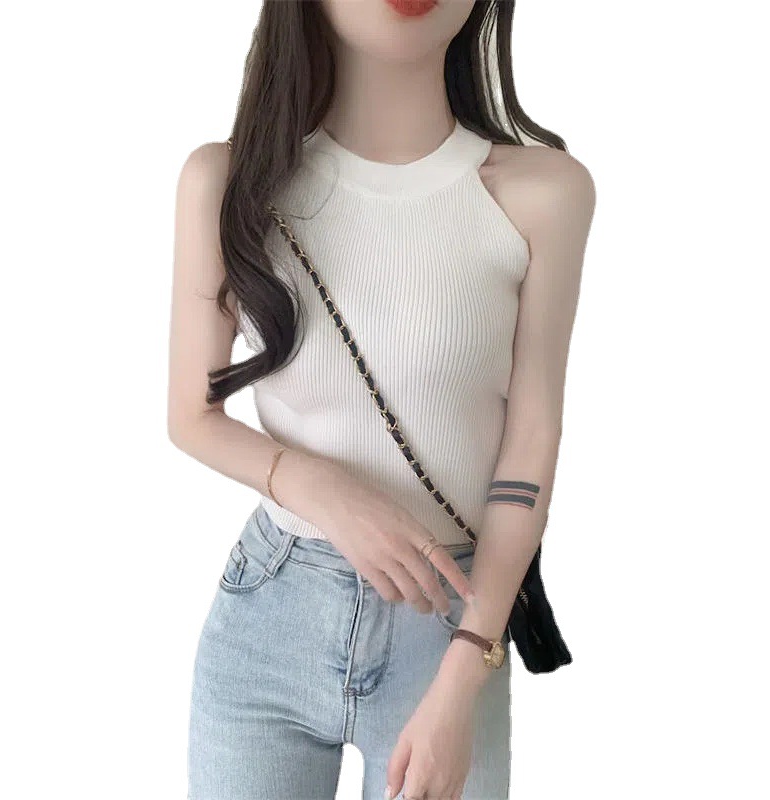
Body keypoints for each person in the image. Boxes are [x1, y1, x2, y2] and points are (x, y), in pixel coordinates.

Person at [168, 1, 595, 798]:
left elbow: (532, 441)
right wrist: (320, 487)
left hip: (454, 618)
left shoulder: (542, 192)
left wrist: (465, 671)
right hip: (272, 605)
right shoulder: (227, 182)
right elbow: (190, 416)